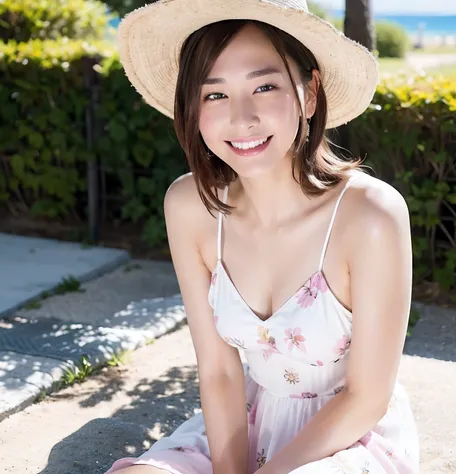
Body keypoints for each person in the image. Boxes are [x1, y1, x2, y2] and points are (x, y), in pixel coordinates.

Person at [105, 0, 419, 473]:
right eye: (215, 95)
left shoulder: (370, 215)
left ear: (309, 94)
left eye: (265, 86)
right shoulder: (191, 206)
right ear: (192, 108)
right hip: (251, 419)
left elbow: (366, 397)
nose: (242, 117)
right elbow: (218, 371)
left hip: (352, 435)